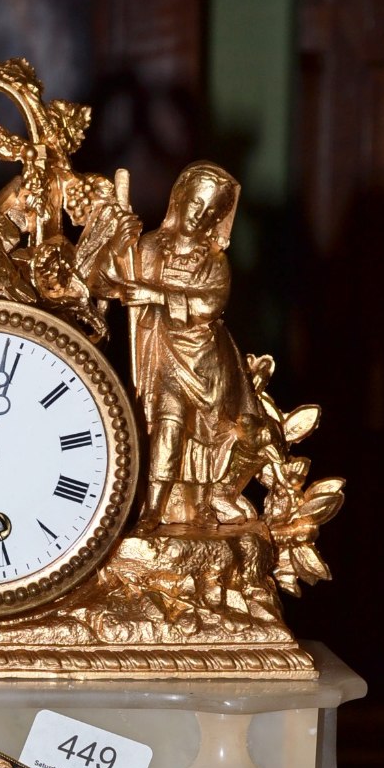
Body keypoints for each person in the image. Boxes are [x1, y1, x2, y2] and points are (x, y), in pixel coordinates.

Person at [98, 161, 261, 528]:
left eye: (209, 213)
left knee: (208, 432)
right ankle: (153, 506)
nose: (199, 217)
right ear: (179, 200)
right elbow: (105, 282)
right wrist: (117, 245)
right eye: (195, 205)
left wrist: (153, 294)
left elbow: (209, 304)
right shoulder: (148, 247)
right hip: (160, 354)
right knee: (168, 424)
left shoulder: (215, 262)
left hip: (204, 360)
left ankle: (200, 500)